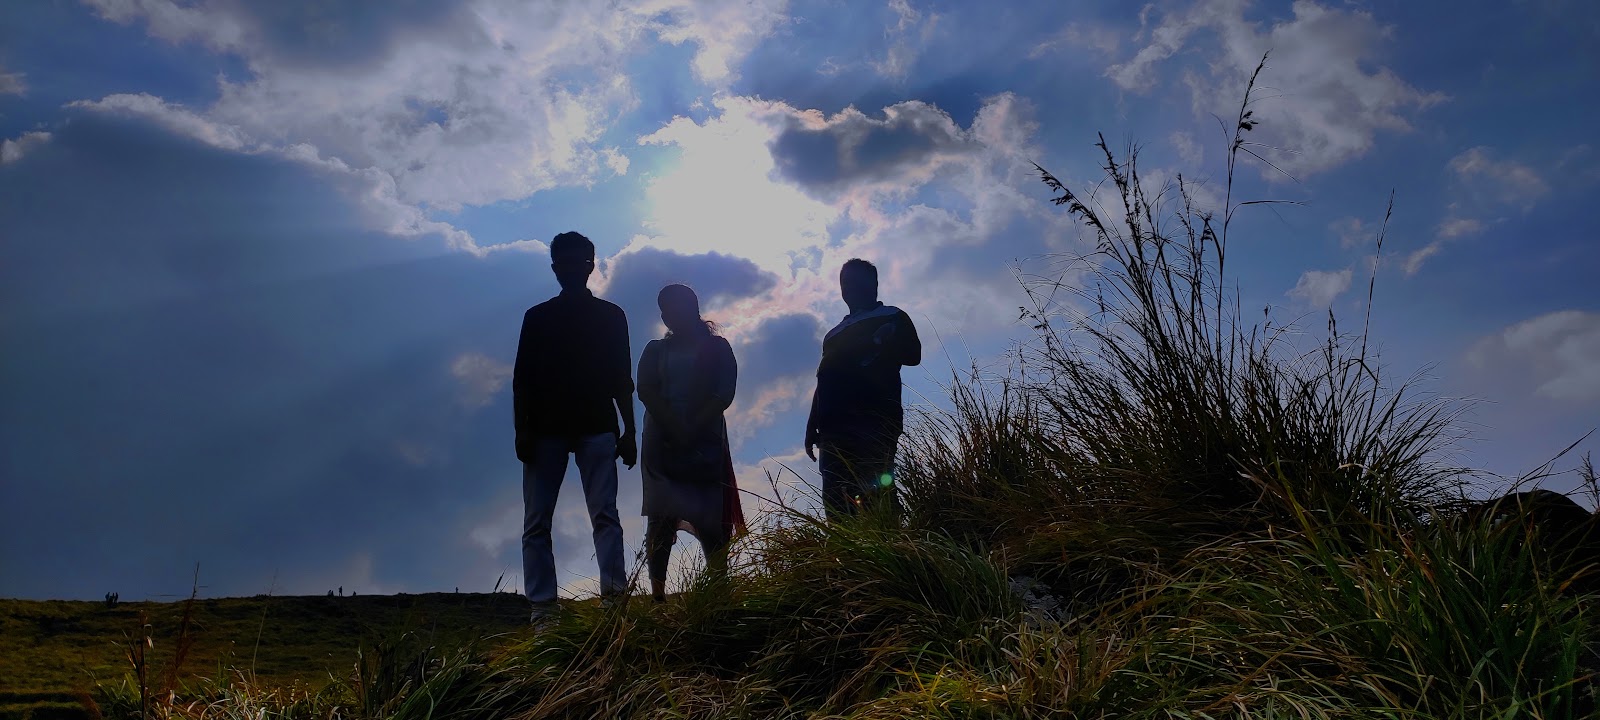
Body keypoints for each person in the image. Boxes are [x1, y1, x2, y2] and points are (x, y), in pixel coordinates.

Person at [513, 231, 637, 623]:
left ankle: (614, 603)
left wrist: (630, 430)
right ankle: (544, 612)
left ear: (591, 265)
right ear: (555, 269)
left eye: (580, 263)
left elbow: (622, 377)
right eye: (566, 263)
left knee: (603, 515)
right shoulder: (538, 316)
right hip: (549, 428)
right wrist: (522, 430)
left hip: (594, 425)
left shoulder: (611, 315)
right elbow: (523, 379)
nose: (573, 269)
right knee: (538, 521)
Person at [638, 284, 746, 602]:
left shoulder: (719, 348)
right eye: (665, 308)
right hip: (661, 445)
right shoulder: (655, 350)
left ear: (693, 307)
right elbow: (646, 390)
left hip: (706, 444)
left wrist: (693, 427)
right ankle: (658, 599)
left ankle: (718, 594)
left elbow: (724, 392)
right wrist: (674, 426)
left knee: (712, 519)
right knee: (660, 520)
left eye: (676, 305)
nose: (670, 313)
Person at [804, 259, 921, 519]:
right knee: (836, 500)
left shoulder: (893, 315)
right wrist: (812, 425)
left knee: (876, 492)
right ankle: (849, 556)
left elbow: (913, 355)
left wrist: (887, 338)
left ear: (874, 284)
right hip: (832, 427)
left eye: (856, 281)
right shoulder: (833, 334)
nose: (850, 288)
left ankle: (892, 550)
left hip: (875, 419)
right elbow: (823, 378)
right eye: (845, 283)